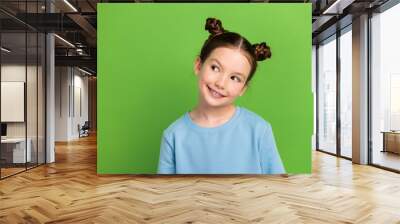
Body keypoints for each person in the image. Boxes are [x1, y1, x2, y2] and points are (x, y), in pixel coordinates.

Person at [157, 18, 285, 174]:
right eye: (215, 68)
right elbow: (169, 195)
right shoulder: (173, 135)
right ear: (198, 65)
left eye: (234, 78)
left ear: (243, 89)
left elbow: (277, 188)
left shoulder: (259, 130)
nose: (221, 83)